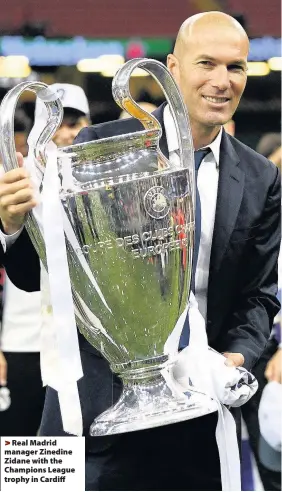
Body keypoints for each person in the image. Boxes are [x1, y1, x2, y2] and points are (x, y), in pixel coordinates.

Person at [0, 11, 280, 491]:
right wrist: (11, 225)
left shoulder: (260, 177)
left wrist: (234, 360)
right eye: (206, 63)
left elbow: (258, 295)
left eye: (235, 67)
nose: (222, 81)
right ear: (171, 66)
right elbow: (34, 276)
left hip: (198, 414)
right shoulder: (96, 147)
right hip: (86, 408)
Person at [0, 84, 91, 437]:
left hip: (83, 348)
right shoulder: (16, 182)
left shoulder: (102, 183)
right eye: (58, 123)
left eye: (75, 122)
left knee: (82, 459)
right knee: (33, 462)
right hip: (23, 343)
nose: (68, 132)